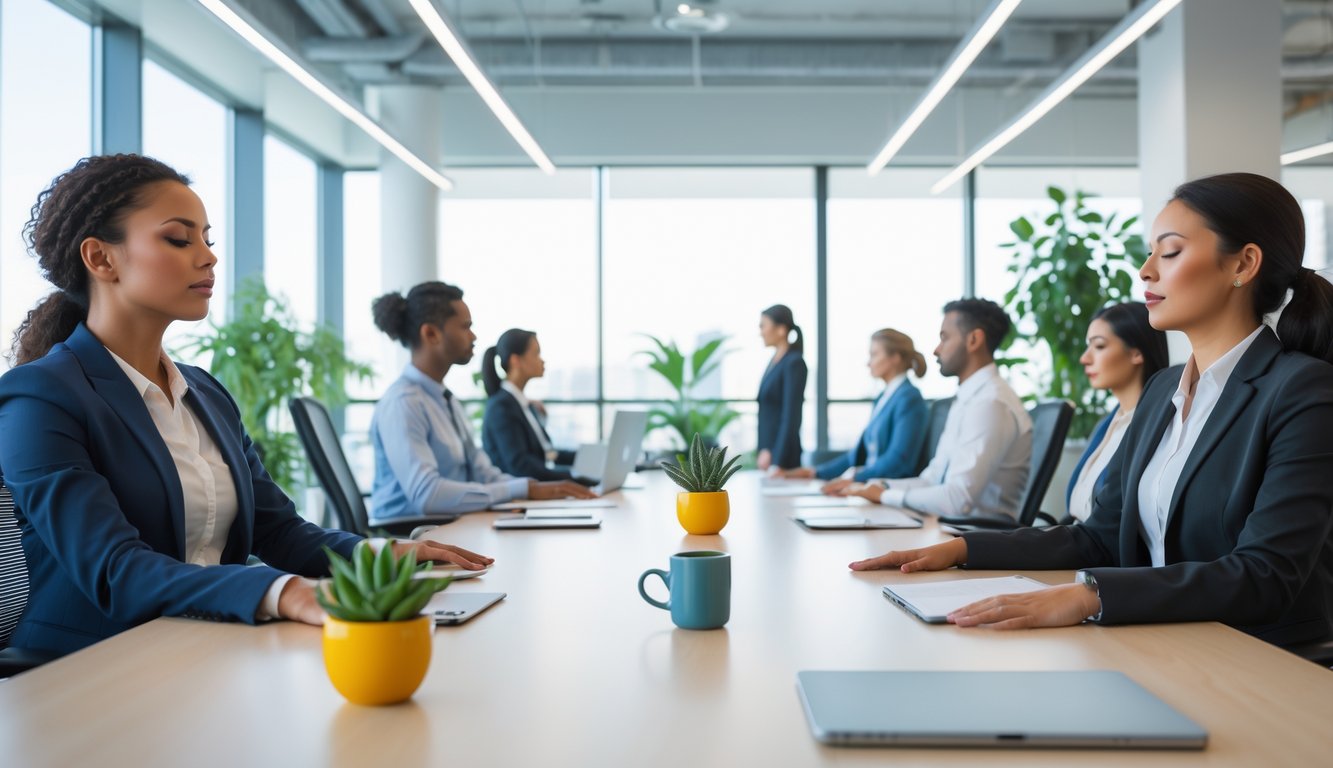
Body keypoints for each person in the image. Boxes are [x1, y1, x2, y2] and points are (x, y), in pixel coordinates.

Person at [0, 155, 491, 657]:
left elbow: (278, 531)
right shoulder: (40, 397)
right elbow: (114, 570)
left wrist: (384, 555)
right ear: (101, 258)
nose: (208, 258)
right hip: (91, 665)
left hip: (208, 649)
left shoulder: (204, 393)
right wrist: (284, 591)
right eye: (179, 239)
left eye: (207, 240)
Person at [850, 173, 1333, 649]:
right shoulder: (1163, 389)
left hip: (1254, 655)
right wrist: (961, 549)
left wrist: (1091, 596)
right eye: (1150, 252)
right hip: (1163, 639)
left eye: (1169, 252)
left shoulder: (1301, 390)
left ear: (1243, 264)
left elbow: (1266, 574)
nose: (1146, 271)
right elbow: (1098, 537)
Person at [369, 282, 595, 522]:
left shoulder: (446, 400)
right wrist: (522, 490)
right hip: (412, 532)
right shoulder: (404, 403)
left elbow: (483, 473)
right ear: (431, 334)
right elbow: (427, 494)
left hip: (456, 522)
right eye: (465, 327)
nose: (474, 336)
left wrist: (531, 489)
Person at [840, 299, 1032, 520]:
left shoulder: (991, 403)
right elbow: (932, 479)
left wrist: (885, 495)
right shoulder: (968, 399)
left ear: (974, 340)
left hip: (975, 534)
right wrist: (880, 485)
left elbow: (957, 500)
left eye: (945, 338)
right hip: (950, 526)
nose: (936, 350)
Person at [775, 329, 928, 488]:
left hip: (886, 491)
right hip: (869, 486)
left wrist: (855, 478)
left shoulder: (909, 398)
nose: (868, 363)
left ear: (895, 358)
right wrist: (814, 472)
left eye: (874, 354)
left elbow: (898, 462)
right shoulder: (884, 397)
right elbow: (855, 457)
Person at [1065, 302, 1168, 523]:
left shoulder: (1157, 429)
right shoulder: (1108, 425)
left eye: (1099, 346)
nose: (1084, 358)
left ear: (1136, 353)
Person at [480, 328, 579, 482]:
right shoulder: (501, 407)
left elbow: (548, 453)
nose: (542, 360)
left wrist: (584, 459)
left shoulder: (523, 405)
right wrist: (573, 477)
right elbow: (521, 467)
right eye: (536, 353)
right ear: (515, 360)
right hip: (520, 493)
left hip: (538, 485)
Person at [756, 304, 808, 471]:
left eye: (763, 326)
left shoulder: (794, 363)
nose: (761, 332)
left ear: (781, 330)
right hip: (768, 454)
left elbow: (791, 416)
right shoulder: (774, 362)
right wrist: (764, 449)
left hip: (783, 457)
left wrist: (777, 459)